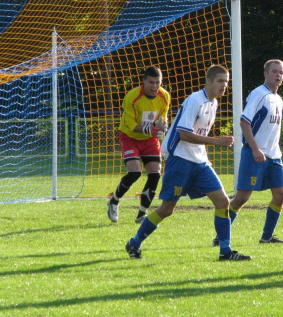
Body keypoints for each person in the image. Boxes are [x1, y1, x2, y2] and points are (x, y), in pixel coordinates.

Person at [125, 65, 252, 261]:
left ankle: (225, 251)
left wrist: (207, 149)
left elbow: (198, 134)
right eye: (220, 81)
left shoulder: (213, 103)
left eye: (226, 82)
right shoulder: (195, 100)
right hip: (180, 161)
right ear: (208, 81)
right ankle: (134, 243)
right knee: (167, 209)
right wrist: (216, 141)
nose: (224, 85)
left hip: (199, 162)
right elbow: (183, 134)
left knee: (223, 201)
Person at [212, 59, 283, 247]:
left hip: (273, 156)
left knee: (281, 195)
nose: (278, 75)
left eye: (281, 72)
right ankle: (220, 237)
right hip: (254, 154)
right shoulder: (259, 94)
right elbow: (244, 121)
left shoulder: (278, 99)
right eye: (274, 72)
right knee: (242, 198)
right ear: (265, 74)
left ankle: (267, 237)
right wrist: (255, 148)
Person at [108, 66, 171, 224]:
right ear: (143, 81)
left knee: (155, 174)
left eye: (158, 82)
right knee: (135, 172)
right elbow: (129, 124)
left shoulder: (164, 96)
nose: (155, 86)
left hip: (150, 140)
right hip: (130, 137)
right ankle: (114, 201)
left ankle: (141, 215)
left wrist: (163, 126)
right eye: (151, 82)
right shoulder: (132, 97)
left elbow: (163, 117)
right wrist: (149, 128)